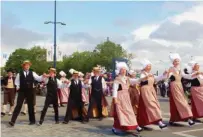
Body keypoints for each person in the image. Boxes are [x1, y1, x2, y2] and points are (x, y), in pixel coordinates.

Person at [8, 60, 44, 127]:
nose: (27, 66)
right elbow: (16, 82)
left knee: (30, 106)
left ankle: (32, 121)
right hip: (22, 91)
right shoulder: (19, 73)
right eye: (26, 65)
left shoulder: (32, 73)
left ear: (29, 66)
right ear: (23, 66)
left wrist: (43, 76)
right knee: (18, 105)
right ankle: (12, 121)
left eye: (28, 65)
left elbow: (39, 78)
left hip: (30, 91)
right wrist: (17, 87)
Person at [111, 62, 142, 135]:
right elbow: (115, 89)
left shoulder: (127, 79)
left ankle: (134, 125)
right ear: (119, 70)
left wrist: (142, 78)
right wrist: (115, 98)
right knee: (120, 112)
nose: (123, 71)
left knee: (129, 111)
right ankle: (115, 127)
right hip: (120, 97)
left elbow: (135, 81)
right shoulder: (117, 79)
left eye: (124, 69)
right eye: (122, 69)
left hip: (126, 97)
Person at [137, 59, 168, 129]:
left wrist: (163, 74)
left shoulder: (151, 74)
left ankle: (142, 122)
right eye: (148, 66)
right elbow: (140, 79)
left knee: (147, 106)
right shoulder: (142, 73)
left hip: (151, 90)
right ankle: (159, 122)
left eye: (150, 66)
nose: (149, 67)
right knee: (152, 105)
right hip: (145, 90)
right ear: (144, 67)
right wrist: (146, 77)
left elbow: (156, 79)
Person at [167, 53, 195, 126]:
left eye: (178, 61)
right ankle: (188, 118)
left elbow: (185, 76)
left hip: (180, 86)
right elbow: (168, 76)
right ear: (173, 62)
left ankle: (174, 119)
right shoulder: (171, 68)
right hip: (174, 86)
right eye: (175, 61)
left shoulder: (180, 69)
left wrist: (192, 75)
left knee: (180, 101)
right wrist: (170, 76)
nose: (177, 62)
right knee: (181, 102)